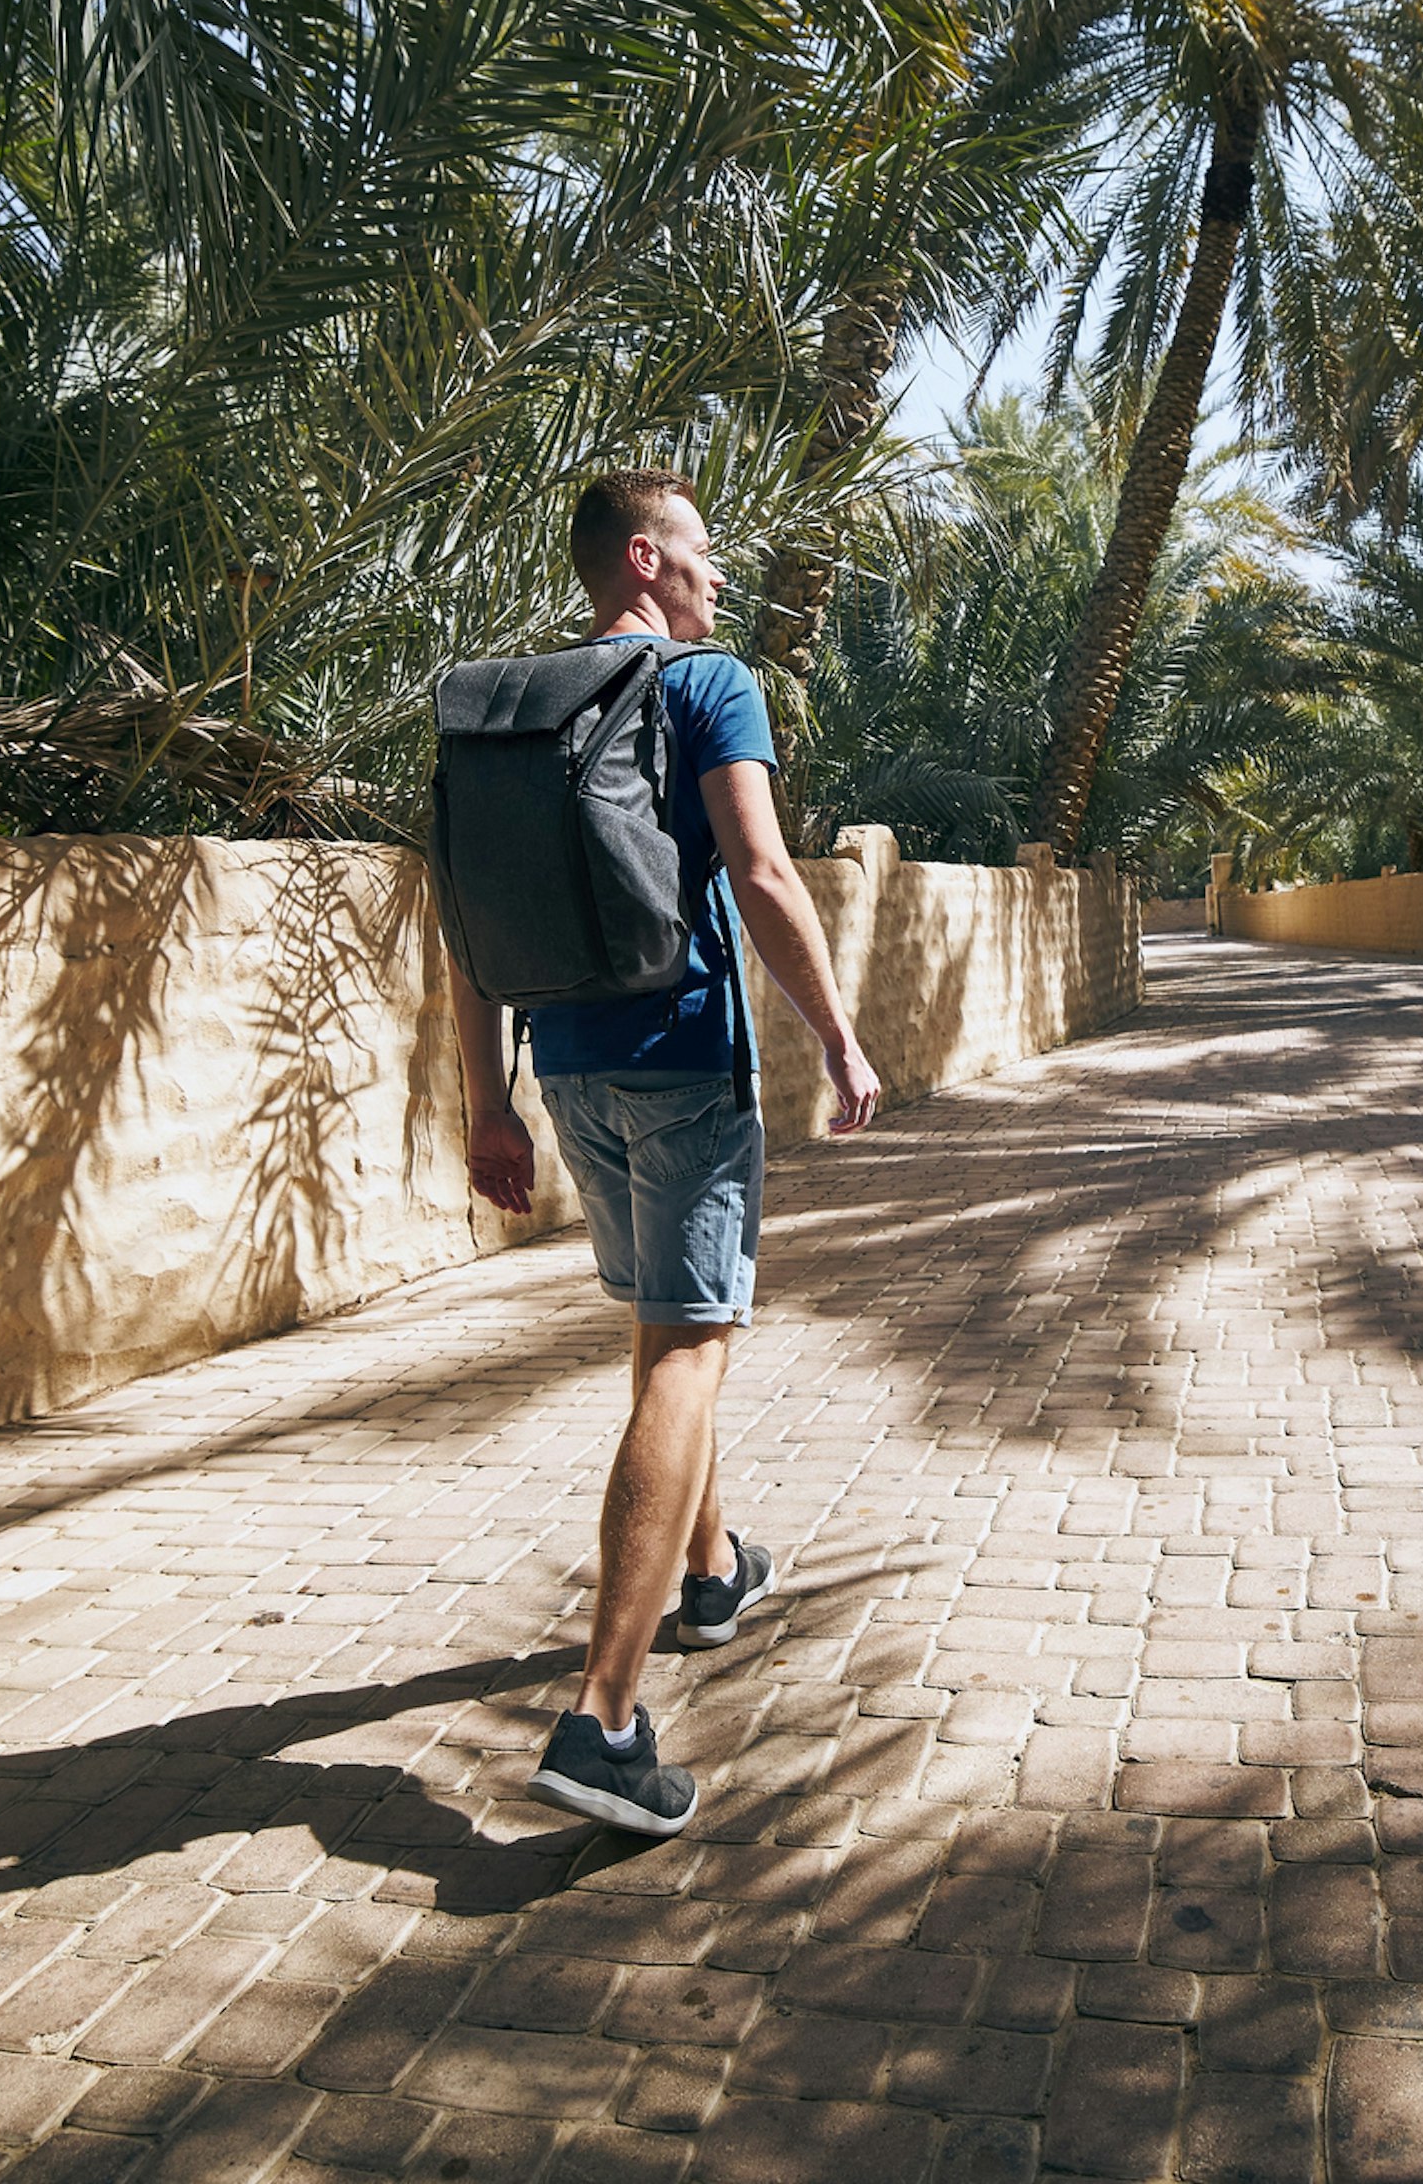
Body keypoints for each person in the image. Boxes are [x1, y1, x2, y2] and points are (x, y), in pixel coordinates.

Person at [449, 466, 884, 1837]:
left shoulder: (510, 709)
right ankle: (605, 1720)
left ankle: (711, 1570)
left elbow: (464, 920)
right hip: (689, 1058)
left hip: (569, 1069)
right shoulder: (708, 686)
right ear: (644, 560)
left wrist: (486, 1103)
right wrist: (842, 1035)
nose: (716, 578)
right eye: (700, 554)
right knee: (693, 1349)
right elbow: (759, 874)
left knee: (663, 1332)